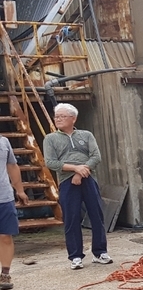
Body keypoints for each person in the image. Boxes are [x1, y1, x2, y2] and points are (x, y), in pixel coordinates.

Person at [43, 103, 112, 270]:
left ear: (73, 118)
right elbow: (51, 162)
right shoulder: (50, 139)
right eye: (56, 116)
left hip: (88, 178)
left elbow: (96, 156)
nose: (58, 119)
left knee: (96, 215)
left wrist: (81, 172)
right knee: (71, 219)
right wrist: (75, 168)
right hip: (67, 181)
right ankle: (75, 256)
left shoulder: (86, 135)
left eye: (62, 116)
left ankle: (100, 252)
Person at [0, 135, 29, 290]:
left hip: (4, 196)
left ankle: (5, 273)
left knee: (5, 236)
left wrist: (20, 190)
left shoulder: (4, 141)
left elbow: (12, 166)